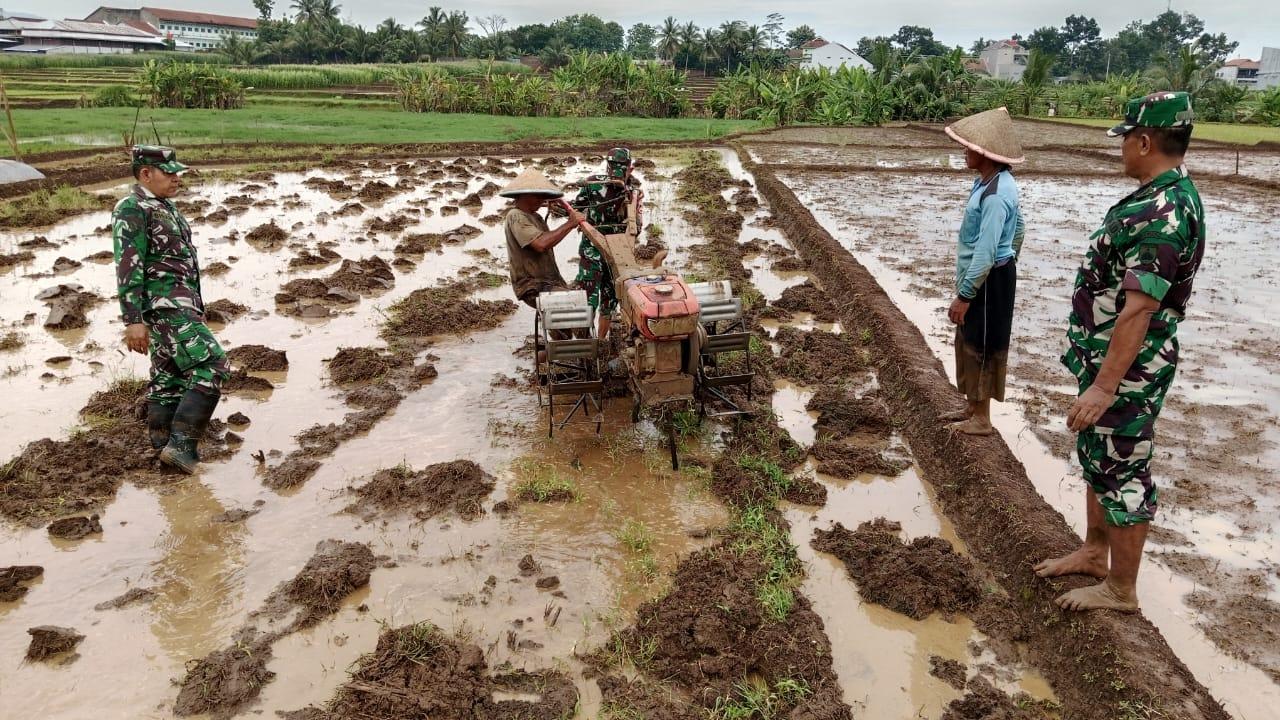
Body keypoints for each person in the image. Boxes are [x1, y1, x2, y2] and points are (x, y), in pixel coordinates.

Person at [1035, 92, 1205, 613]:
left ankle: (1120, 589)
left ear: (1146, 141)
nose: (1122, 148)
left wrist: (1106, 385)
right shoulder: (1156, 197)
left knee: (1122, 468)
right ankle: (1093, 552)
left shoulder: (1163, 212)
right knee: (1098, 456)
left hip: (1129, 370)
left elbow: (1139, 310)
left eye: (1127, 138)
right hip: (1110, 361)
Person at [113, 145, 229, 474]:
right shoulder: (132, 208)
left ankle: (161, 444)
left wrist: (196, 307)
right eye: (170, 172)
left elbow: (183, 264)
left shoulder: (165, 207)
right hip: (164, 304)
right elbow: (128, 266)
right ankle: (181, 447)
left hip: (181, 304)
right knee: (214, 365)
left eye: (178, 172)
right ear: (146, 174)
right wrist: (133, 319)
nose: (177, 178)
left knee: (169, 375)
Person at [941, 107, 1026, 436]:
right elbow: (1020, 228)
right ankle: (972, 406)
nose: (965, 151)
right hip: (989, 276)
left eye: (969, 147)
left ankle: (982, 419)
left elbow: (988, 250)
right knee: (968, 337)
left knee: (982, 344)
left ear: (985, 153)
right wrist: (1009, 258)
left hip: (989, 281)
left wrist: (966, 294)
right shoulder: (991, 182)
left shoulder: (995, 194)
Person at [570, 148, 642, 339]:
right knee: (595, 297)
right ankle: (590, 342)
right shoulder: (593, 184)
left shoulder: (632, 193)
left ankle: (598, 343)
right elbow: (577, 209)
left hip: (614, 252)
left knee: (604, 299)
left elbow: (636, 226)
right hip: (599, 248)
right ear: (630, 168)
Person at [500, 167, 586, 310]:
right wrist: (570, 223)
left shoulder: (535, 216)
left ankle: (560, 331)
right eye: (538, 196)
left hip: (549, 282)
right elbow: (541, 244)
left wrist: (566, 215)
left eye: (543, 196)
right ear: (524, 196)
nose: (542, 200)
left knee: (565, 318)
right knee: (577, 307)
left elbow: (549, 239)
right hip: (533, 285)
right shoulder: (516, 216)